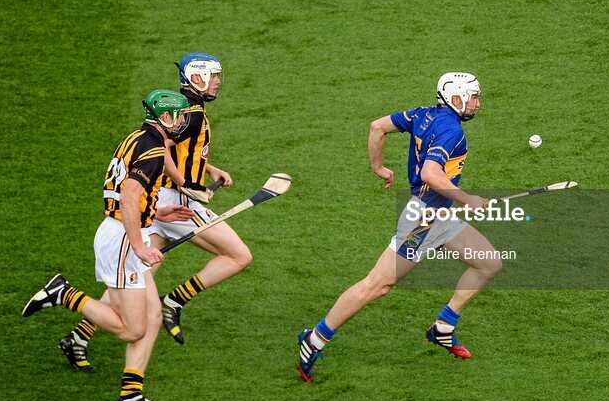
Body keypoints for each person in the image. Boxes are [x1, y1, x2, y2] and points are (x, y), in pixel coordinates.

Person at [296, 72, 503, 382]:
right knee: (376, 285)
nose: (478, 103)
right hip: (423, 220)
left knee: (488, 263)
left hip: (441, 215)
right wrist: (466, 198)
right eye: (474, 97)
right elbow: (431, 173)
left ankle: (443, 327)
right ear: (457, 99)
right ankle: (313, 340)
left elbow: (377, 126)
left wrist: (378, 167)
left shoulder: (423, 114)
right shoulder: (451, 130)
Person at [57, 53, 251, 372]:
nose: (218, 81)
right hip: (174, 202)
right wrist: (187, 185)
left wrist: (206, 169)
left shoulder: (182, 108)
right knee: (239, 256)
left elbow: (171, 150)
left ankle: (78, 337)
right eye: (213, 76)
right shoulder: (193, 116)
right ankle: (175, 301)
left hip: (162, 198)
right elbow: (164, 151)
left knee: (136, 276)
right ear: (197, 77)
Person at [22, 90, 195, 401]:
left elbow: (125, 194)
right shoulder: (155, 150)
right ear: (166, 117)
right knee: (132, 328)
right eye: (179, 115)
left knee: (153, 316)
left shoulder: (134, 139)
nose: (183, 121)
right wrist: (141, 244)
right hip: (122, 241)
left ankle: (130, 395)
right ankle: (63, 294)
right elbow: (129, 198)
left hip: (123, 232)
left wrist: (157, 215)